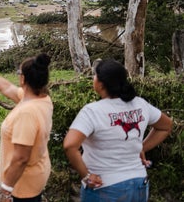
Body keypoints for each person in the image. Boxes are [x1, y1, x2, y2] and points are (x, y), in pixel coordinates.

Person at [63, 59, 173, 202]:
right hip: (139, 184)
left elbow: (70, 145)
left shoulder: (92, 111)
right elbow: (166, 126)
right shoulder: (140, 104)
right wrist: (141, 147)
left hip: (104, 186)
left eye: (94, 76)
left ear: (101, 84)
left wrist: (86, 176)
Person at [0, 53, 53, 202]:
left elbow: (21, 158)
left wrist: (7, 190)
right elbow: (8, 88)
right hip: (36, 174)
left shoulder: (27, 113)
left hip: (23, 185)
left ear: (23, 79)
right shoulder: (42, 99)